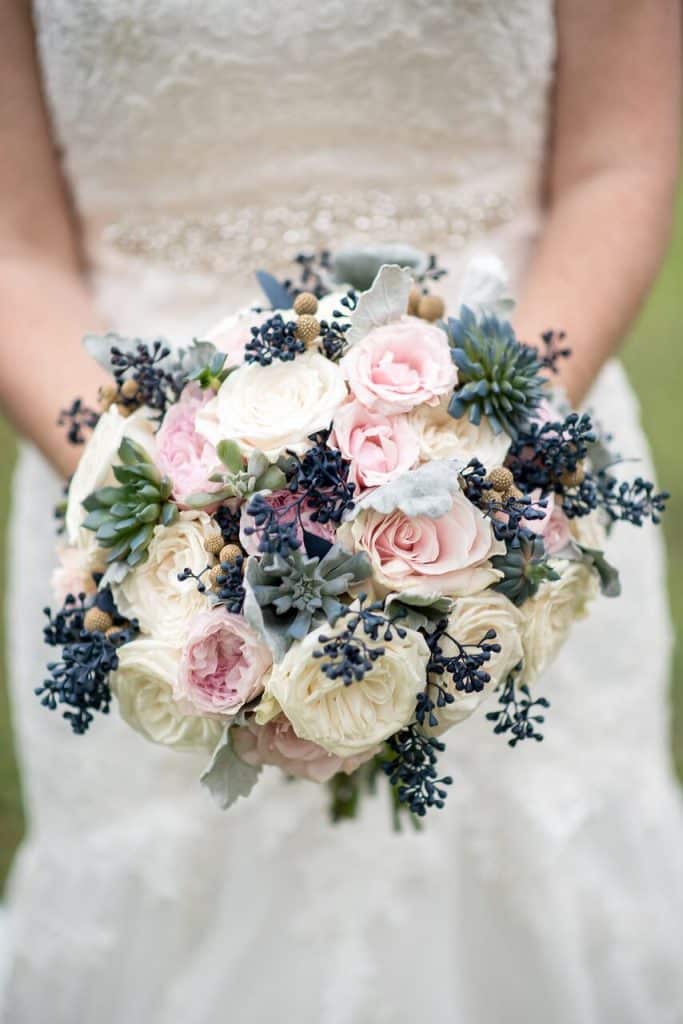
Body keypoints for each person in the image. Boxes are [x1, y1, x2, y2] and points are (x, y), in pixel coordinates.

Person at [1, 2, 682, 1021]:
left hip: (513, 452)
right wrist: (179, 530)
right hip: (128, 469)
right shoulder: (154, 518)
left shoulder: (496, 477)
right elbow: (17, 249)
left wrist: (478, 478)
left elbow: (613, 162)